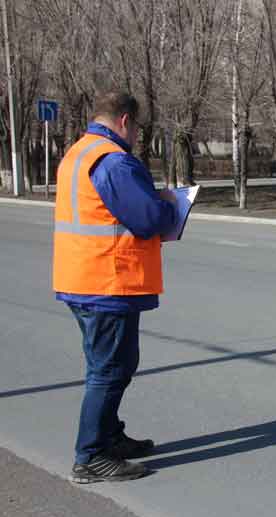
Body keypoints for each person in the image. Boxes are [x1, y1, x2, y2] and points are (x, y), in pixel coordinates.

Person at [52, 92, 177, 483]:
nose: (137, 135)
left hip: (83, 278)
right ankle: (90, 455)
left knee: (109, 367)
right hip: (108, 281)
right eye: (137, 127)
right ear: (124, 120)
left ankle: (109, 436)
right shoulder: (114, 161)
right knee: (109, 371)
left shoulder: (79, 152)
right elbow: (146, 219)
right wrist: (170, 205)